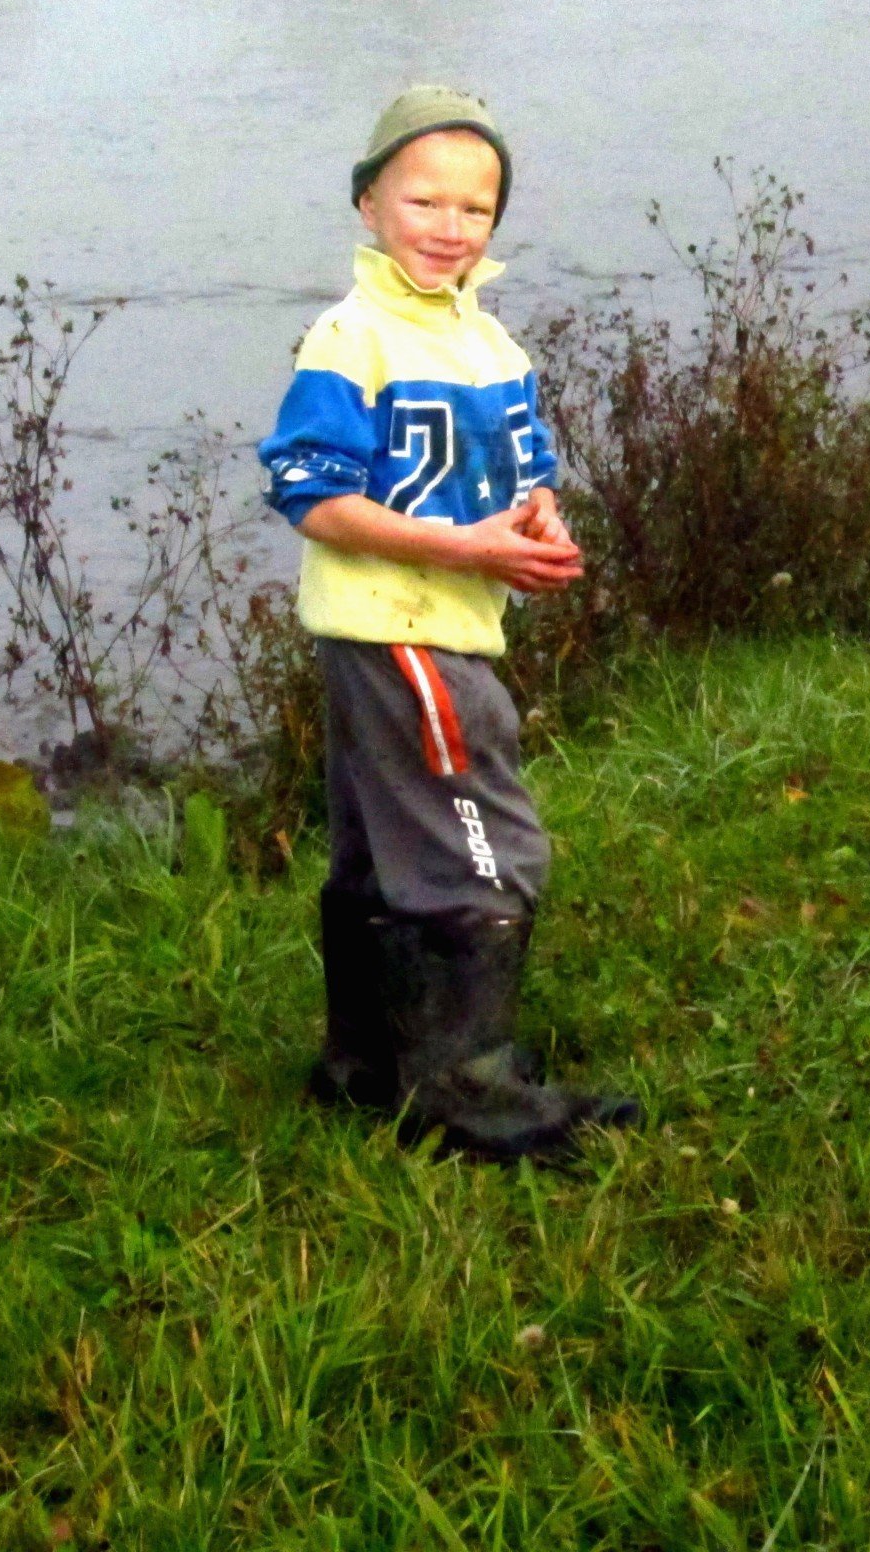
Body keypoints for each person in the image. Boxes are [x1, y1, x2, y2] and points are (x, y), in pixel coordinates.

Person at [256, 85, 639, 1161]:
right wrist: (472, 552)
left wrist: (539, 526)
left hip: (448, 618)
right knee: (488, 848)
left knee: (383, 848)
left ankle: (368, 1065)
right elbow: (309, 492)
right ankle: (468, 1094)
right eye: (423, 200)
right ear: (370, 203)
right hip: (398, 624)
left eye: (476, 209)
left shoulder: (491, 347)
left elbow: (528, 476)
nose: (449, 226)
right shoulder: (352, 338)